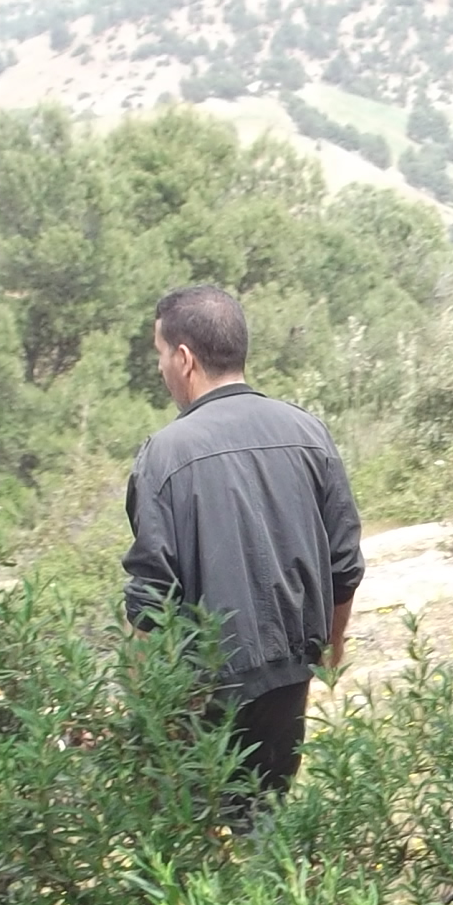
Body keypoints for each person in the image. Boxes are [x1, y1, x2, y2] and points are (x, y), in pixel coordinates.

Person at [123, 283, 363, 804]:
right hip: (290, 676)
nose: (160, 368)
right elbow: (344, 563)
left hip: (203, 690)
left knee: (197, 826)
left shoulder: (164, 455)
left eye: (160, 354)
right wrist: (330, 648)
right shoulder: (309, 432)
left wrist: (141, 705)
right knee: (267, 820)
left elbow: (150, 598)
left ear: (184, 358)